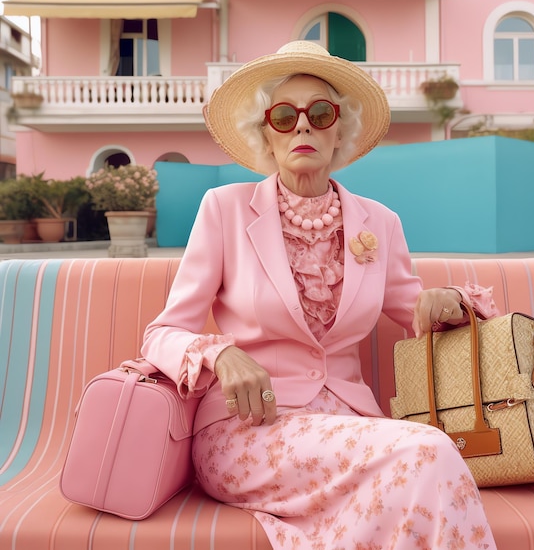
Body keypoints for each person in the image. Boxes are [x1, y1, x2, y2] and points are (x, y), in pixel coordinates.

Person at [142, 41, 499, 549]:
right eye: (284, 116)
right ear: (266, 134)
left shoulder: (381, 222)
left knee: (415, 472)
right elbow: (161, 334)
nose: (303, 126)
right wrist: (220, 353)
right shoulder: (223, 209)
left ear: (339, 129)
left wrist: (448, 302)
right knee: (429, 452)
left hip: (351, 429)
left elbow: (417, 310)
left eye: (321, 112)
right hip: (249, 431)